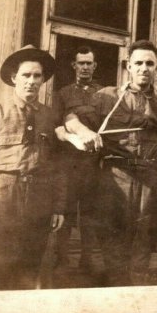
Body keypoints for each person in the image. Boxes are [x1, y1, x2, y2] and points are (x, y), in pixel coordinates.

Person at [64, 40, 157, 286]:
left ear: (156, 68)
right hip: (114, 181)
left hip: (150, 184)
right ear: (129, 66)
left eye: (150, 64)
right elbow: (71, 118)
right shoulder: (106, 97)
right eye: (138, 63)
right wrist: (84, 132)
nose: (144, 68)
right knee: (112, 251)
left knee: (142, 251)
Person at [0, 45, 66, 290]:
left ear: (43, 80)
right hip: (5, 196)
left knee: (32, 263)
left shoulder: (51, 118)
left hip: (41, 196)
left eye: (36, 76)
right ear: (13, 78)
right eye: (25, 75)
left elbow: (59, 166)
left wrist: (59, 206)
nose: (31, 81)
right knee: (1, 262)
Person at [51, 46, 103, 274]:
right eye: (80, 63)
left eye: (88, 63)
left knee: (92, 216)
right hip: (69, 163)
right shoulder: (62, 94)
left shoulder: (104, 93)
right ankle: (62, 261)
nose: (84, 67)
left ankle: (88, 263)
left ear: (95, 66)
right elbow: (57, 127)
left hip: (95, 165)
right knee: (67, 213)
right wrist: (74, 137)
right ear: (74, 66)